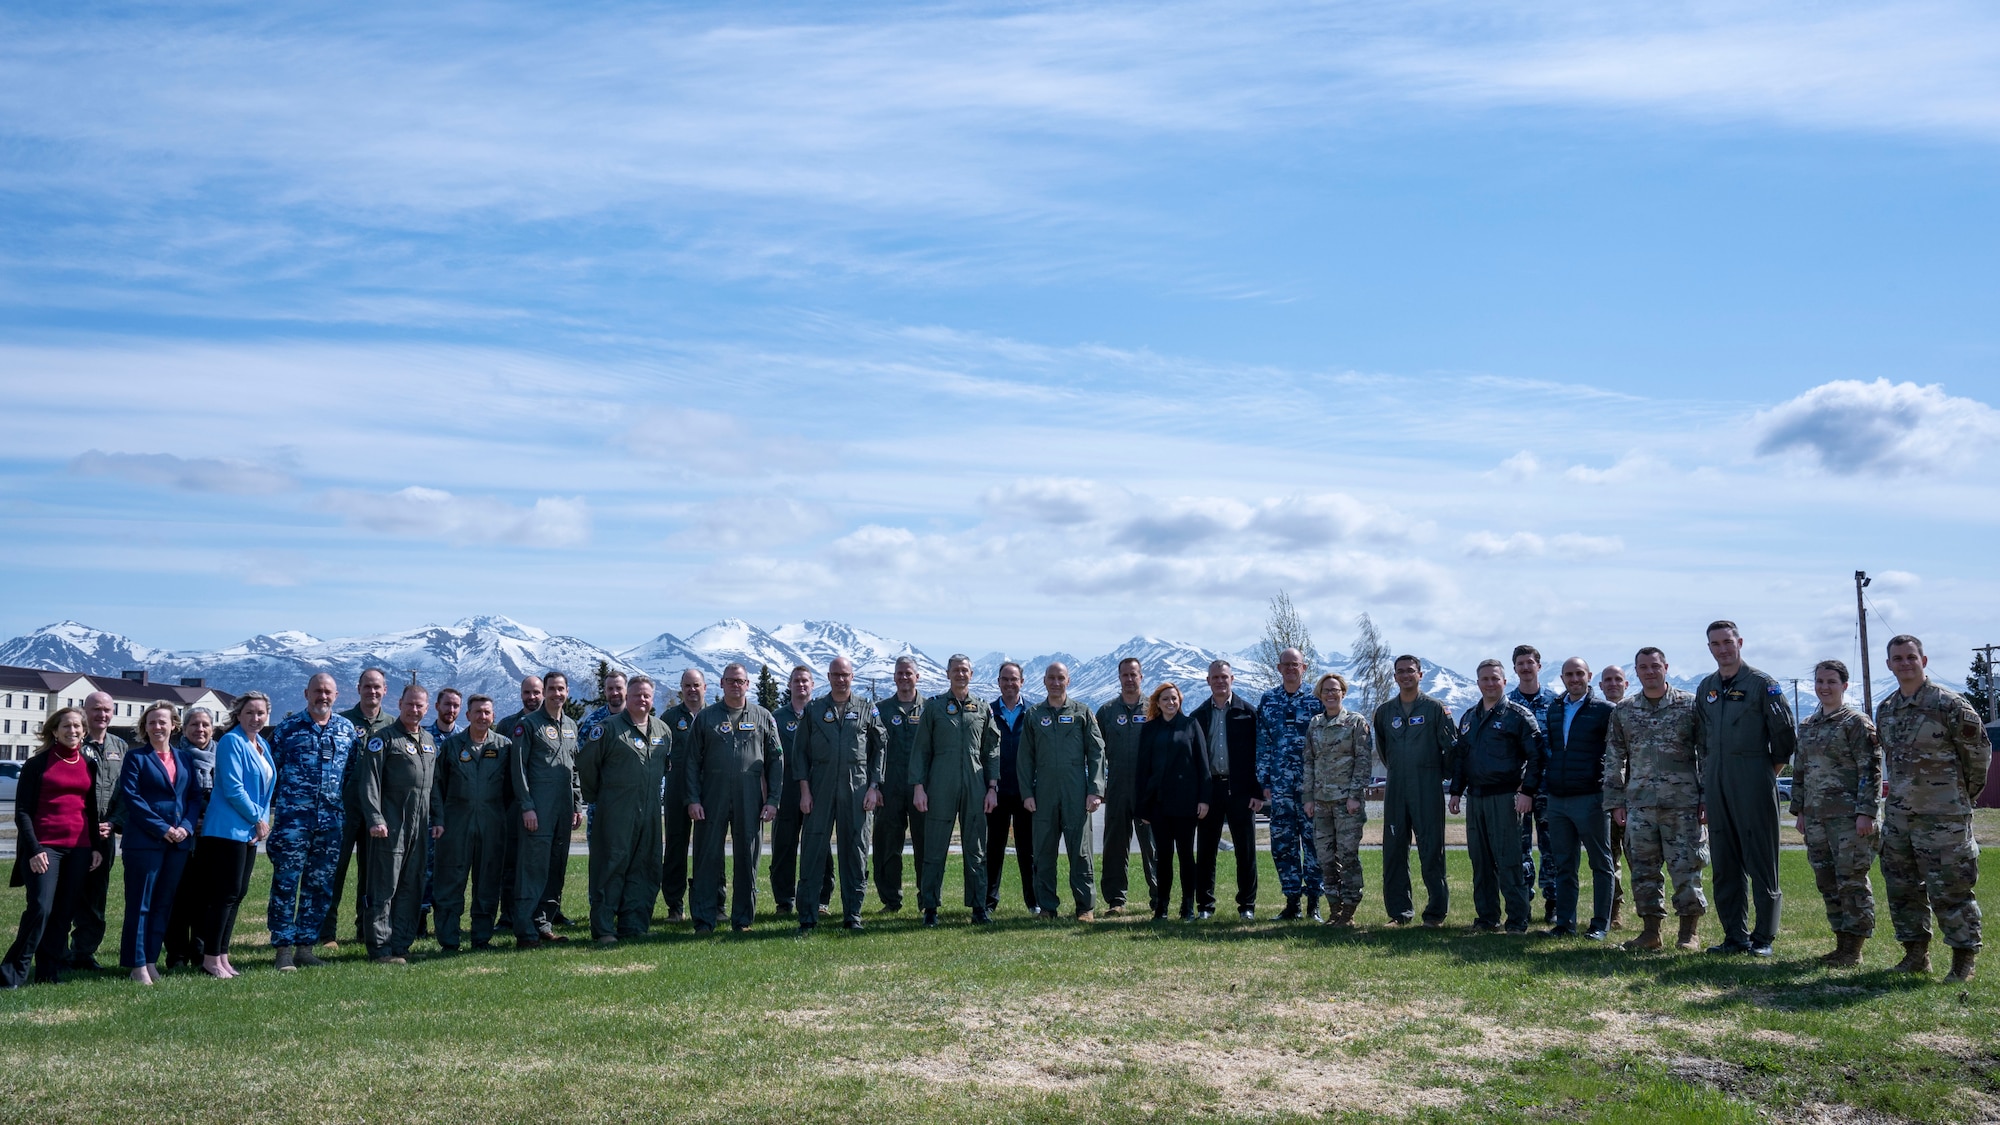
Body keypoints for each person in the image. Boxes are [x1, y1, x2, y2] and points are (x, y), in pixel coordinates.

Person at [1875, 634, 1991, 982]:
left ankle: (1962, 960)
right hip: (1899, 817)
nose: (1905, 663)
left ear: (1923, 661)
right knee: (1902, 888)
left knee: (1952, 888)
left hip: (1945, 818)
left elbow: (1978, 757)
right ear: (1889, 665)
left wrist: (1960, 799)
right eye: (1898, 658)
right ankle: (1915, 955)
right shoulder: (1886, 709)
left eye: (1911, 657)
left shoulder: (1950, 705)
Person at [1693, 621, 1796, 957]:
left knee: (1761, 861)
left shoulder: (1762, 684)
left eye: (1727, 642)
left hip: (1753, 779)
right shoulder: (1707, 687)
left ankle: (1764, 937)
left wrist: (1765, 771)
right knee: (1724, 864)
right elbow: (1701, 739)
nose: (1722, 649)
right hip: (1717, 782)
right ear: (1709, 648)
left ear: (1739, 642)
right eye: (1715, 644)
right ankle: (1734, 936)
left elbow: (1784, 737)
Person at [1604, 647, 1707, 953]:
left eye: (1655, 666)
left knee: (1687, 868)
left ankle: (1689, 932)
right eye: (1643, 667)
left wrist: (1706, 796)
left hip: (1683, 804)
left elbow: (1706, 753)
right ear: (1635, 672)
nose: (1649, 671)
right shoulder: (1624, 710)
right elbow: (1614, 758)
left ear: (1666, 667)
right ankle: (1651, 932)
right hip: (1640, 805)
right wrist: (1616, 800)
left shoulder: (1689, 706)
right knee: (1644, 871)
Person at [2, 708, 106, 988]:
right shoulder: (37, 764)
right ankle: (12, 972)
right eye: (66, 726)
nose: (73, 731)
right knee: (40, 908)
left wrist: (95, 846)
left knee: (64, 913)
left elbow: (90, 810)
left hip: (80, 848)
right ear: (54, 730)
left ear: (84, 732)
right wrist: (34, 850)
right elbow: (22, 811)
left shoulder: (88, 764)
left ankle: (49, 971)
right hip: (45, 847)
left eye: (77, 727)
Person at [1791, 659, 1882, 968]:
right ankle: (1840, 943)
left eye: (1831, 681)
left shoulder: (1856, 723)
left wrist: (1866, 812)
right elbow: (1800, 771)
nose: (1824, 687)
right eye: (1819, 681)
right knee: (1827, 882)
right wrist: (1800, 810)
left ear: (1844, 685)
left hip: (1849, 819)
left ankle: (1854, 948)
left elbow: (1869, 770)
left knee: (1852, 882)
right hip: (1816, 819)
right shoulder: (1808, 726)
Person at [266, 674, 357, 971]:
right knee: (286, 884)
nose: (323, 697)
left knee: (319, 886)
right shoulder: (287, 729)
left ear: (337, 695)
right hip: (293, 822)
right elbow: (270, 771)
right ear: (306, 693)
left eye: (328, 692)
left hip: (330, 822)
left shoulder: (346, 730)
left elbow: (349, 773)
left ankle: (306, 946)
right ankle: (283, 950)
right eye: (317, 691)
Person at [685, 663, 781, 934]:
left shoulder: (763, 717)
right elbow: (691, 762)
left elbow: (776, 760)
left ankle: (743, 920)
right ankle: (704, 920)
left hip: (750, 797)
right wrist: (693, 799)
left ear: (748, 684)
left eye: (741, 681)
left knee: (747, 860)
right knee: (706, 859)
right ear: (721, 683)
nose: (736, 685)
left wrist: (773, 799)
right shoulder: (706, 718)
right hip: (711, 797)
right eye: (731, 681)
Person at [1449, 660, 1544, 934]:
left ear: (1504, 682)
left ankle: (1517, 920)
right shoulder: (1469, 717)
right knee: (1480, 860)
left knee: (1509, 860)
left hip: (1506, 797)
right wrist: (1456, 791)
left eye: (1495, 679)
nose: (1490, 684)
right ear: (1478, 683)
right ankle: (1487, 918)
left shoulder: (1518, 715)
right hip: (1475, 798)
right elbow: (1462, 759)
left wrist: (1526, 791)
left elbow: (1537, 757)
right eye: (1484, 679)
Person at [576, 676, 670, 943]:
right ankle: (604, 928)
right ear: (627, 697)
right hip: (615, 811)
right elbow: (586, 768)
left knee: (646, 867)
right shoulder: (607, 728)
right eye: (637, 694)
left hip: (650, 812)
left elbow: (665, 767)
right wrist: (602, 799)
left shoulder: (663, 730)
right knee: (610, 867)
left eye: (647, 696)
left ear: (653, 699)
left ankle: (635, 924)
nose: (642, 699)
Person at [794, 657, 886, 932]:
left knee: (855, 853)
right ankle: (807, 917)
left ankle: (853, 916)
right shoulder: (814, 710)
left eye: (845, 674)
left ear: (852, 676)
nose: (840, 679)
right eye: (835, 674)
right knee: (812, 852)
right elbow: (800, 753)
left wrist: (874, 786)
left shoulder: (867, 708)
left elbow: (881, 747)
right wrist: (805, 792)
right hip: (820, 787)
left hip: (857, 788)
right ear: (829, 676)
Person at [911, 654, 1001, 926]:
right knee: (934, 847)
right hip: (940, 782)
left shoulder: (982, 708)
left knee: (976, 848)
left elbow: (992, 749)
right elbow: (921, 750)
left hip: (975, 784)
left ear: (971, 674)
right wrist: (919, 787)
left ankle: (978, 907)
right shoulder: (935, 707)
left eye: (965, 670)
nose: (960, 675)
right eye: (955, 671)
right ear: (947, 674)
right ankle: (930, 908)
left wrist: (992, 787)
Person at [354, 682, 439, 963]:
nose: (414, 710)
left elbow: (434, 786)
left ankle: (401, 943)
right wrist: (375, 818)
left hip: (420, 827)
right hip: (391, 826)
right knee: (384, 886)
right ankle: (379, 947)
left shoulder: (428, 740)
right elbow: (370, 782)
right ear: (399, 704)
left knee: (412, 885)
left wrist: (437, 818)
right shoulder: (383, 738)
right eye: (409, 704)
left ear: (427, 708)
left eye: (419, 705)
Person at [116, 701, 199, 984]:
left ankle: (151, 960)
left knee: (163, 904)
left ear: (174, 725)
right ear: (145, 727)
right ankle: (136, 964)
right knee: (140, 903)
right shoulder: (136, 758)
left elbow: (193, 798)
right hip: (145, 843)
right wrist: (162, 828)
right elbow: (133, 799)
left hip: (178, 844)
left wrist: (186, 828)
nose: (157, 726)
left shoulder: (185, 759)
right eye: (151, 722)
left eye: (162, 721)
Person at [192, 692, 274, 978]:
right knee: (224, 895)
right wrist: (257, 818)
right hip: (227, 830)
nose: (255, 718)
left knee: (238, 894)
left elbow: (265, 790)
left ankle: (222, 955)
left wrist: (260, 821)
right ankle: (210, 958)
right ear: (238, 715)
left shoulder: (262, 744)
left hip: (249, 831)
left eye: (261, 713)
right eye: (249, 712)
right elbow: (232, 787)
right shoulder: (230, 742)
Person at [1018, 662, 1107, 923]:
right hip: (1044, 792)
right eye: (1051, 678)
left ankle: (1085, 908)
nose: (1055, 682)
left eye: (1060, 678)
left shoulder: (1082, 712)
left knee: (1080, 852)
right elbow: (1025, 759)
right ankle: (1047, 906)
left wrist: (1095, 790)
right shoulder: (1034, 715)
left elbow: (1096, 753)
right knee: (1043, 852)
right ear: (1044, 681)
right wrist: (1027, 793)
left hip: (1076, 791)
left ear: (1068, 681)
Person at [1373, 655, 1456, 927]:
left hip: (1427, 788)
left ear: (1420, 674)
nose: (1405, 675)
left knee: (1431, 850)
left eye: (1411, 671)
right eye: (1400, 672)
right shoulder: (1385, 712)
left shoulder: (1434, 709)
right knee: (1394, 851)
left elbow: (1451, 749)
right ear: (1394, 677)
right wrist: (1400, 770)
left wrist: (1434, 773)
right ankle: (1399, 913)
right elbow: (1384, 751)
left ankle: (1435, 913)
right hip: (1396, 789)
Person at [1538, 658, 1616, 940]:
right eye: (1569, 675)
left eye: (1579, 674)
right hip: (1558, 798)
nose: (1574, 679)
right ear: (1562, 678)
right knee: (1564, 864)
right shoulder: (1555, 709)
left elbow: (1617, 753)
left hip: (1591, 797)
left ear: (1589, 676)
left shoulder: (1605, 710)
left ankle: (1599, 925)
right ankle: (1565, 923)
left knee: (1600, 863)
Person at [433, 694, 514, 950]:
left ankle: (481, 938)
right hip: (456, 824)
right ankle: (448, 939)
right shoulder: (452, 746)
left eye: (487, 712)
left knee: (488, 883)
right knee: (450, 881)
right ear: (467, 715)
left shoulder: (505, 747)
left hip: (492, 825)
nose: (482, 717)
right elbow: (437, 785)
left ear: (493, 716)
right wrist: (439, 818)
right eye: (477, 712)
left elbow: (513, 788)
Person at [323, 667, 393, 948]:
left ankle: (365, 928)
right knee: (334, 870)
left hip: (376, 810)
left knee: (372, 874)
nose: (372, 691)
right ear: (358, 688)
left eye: (377, 687)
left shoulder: (392, 725)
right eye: (367, 686)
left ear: (385, 690)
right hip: (345, 807)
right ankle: (326, 931)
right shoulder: (342, 722)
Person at [510, 672, 581, 946]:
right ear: (545, 691)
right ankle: (525, 931)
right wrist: (527, 806)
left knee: (555, 869)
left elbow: (573, 770)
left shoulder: (571, 726)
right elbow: (518, 769)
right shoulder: (528, 724)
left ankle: (544, 924)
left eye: (561, 689)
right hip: (538, 811)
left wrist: (576, 804)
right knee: (533, 869)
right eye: (552, 689)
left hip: (563, 811)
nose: (557, 694)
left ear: (567, 692)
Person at [1257, 648, 1325, 922]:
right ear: (1278, 668)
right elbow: (1262, 742)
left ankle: (1314, 904)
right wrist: (1264, 781)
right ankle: (1292, 902)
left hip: (1310, 787)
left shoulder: (1317, 698)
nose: (1290, 669)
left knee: (1313, 844)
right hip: (1280, 787)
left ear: (1304, 667)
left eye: (1295, 664)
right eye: (1285, 664)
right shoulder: (1269, 699)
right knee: (1283, 845)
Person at [1135, 682, 1210, 921]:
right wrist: (1143, 807)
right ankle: (1162, 907)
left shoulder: (1190, 725)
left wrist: (1204, 799)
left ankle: (1187, 907)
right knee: (1163, 856)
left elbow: (1202, 765)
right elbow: (1142, 771)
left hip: (1186, 803)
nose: (1170, 703)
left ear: (1180, 702)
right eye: (1165, 699)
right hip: (1158, 804)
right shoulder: (1150, 729)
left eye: (1174, 699)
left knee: (1186, 856)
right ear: (1157, 703)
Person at [1190, 660, 1259, 920]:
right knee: (1206, 850)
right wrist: (1199, 795)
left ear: (1233, 679)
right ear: (1208, 681)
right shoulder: (1198, 716)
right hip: (1211, 791)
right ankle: (1205, 906)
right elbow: (1195, 759)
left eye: (1224, 677)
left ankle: (1247, 906)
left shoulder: (1248, 713)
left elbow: (1257, 756)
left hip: (1241, 791)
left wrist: (1256, 791)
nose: (1220, 681)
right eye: (1215, 677)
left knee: (1246, 851)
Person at [1303, 673, 1372, 928]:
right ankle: (1334, 909)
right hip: (1321, 803)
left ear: (1343, 692)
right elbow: (1309, 761)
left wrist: (1355, 796)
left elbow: (1363, 762)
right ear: (1320, 695)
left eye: (1335, 690)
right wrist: (1308, 798)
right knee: (1325, 858)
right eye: (1325, 691)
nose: (1330, 694)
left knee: (1348, 856)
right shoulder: (1315, 724)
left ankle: (1349, 911)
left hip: (1346, 803)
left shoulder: (1355, 722)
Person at [65, 690, 125, 971]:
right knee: (65, 893)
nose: (101, 715)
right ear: (84, 711)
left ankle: (83, 953)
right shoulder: (72, 743)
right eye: (95, 709)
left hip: (103, 835)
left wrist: (113, 822)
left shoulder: (120, 747)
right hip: (72, 834)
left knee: (95, 897)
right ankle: (55, 951)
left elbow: (126, 793)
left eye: (106, 710)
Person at [1096, 657, 1158, 915]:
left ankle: (1159, 897)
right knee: (1115, 845)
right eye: (1125, 675)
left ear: (1141, 677)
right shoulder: (1107, 711)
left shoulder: (1154, 708)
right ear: (1119, 678)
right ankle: (1116, 901)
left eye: (1134, 674)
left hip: (1148, 789)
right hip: (1118, 786)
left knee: (1152, 846)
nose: (1129, 679)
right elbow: (1095, 752)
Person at [769, 666, 832, 918]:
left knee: (820, 847)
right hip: (787, 791)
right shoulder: (776, 717)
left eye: (805, 681)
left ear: (813, 684)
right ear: (789, 684)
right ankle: (784, 901)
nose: (801, 685)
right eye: (796, 681)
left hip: (817, 791)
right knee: (784, 847)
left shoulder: (822, 714)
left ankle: (821, 899)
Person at [161, 706, 218, 969]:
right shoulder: (173, 756)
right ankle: (176, 955)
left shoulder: (223, 754)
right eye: (194, 725)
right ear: (183, 729)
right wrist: (187, 821)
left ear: (213, 729)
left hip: (213, 836)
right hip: (180, 835)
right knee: (178, 899)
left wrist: (210, 820)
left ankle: (201, 952)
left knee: (207, 899)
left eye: (205, 725)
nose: (200, 730)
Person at [1507, 646, 1561, 924]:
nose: (1526, 668)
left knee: (1552, 847)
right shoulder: (1507, 704)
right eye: (1520, 663)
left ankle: (1553, 901)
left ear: (1539, 666)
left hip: (1549, 786)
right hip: (1518, 789)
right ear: (1514, 668)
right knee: (1520, 846)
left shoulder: (1556, 702)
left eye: (1530, 662)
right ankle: (1523, 900)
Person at [873, 657, 928, 914]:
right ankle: (890, 900)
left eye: (909, 673)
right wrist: (876, 786)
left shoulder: (930, 709)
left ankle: (926, 898)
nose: (904, 678)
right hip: (889, 788)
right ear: (894, 678)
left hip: (921, 788)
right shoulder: (881, 709)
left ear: (917, 677)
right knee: (887, 846)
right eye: (900, 674)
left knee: (925, 846)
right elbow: (872, 749)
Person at [984, 661, 1037, 915]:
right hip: (996, 791)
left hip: (1025, 793)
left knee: (1028, 850)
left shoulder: (1034, 713)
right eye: (1004, 679)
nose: (1009, 683)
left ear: (1022, 682)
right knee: (994, 849)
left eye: (1013, 679)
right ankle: (989, 902)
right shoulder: (988, 712)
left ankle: (1033, 901)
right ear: (998, 682)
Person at [495, 675, 543, 932]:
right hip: (513, 804)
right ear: (521, 694)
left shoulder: (552, 724)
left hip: (544, 803)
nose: (532, 697)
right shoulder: (507, 725)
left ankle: (544, 912)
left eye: (536, 692)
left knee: (542, 860)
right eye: (527, 692)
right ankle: (507, 915)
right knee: (511, 861)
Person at [660, 669, 705, 922]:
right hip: (677, 791)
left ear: (705, 687)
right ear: (681, 688)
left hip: (707, 791)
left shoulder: (714, 715)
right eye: (687, 685)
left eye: (696, 685)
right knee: (676, 849)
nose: (691, 690)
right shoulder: (669, 718)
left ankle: (712, 903)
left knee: (708, 850)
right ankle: (675, 907)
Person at [1597, 665, 1631, 930]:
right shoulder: (1596, 714)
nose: (1612, 684)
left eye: (1617, 679)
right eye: (1607, 680)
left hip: (1636, 796)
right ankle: (1614, 911)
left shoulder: (1635, 712)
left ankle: (1650, 913)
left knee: (1643, 859)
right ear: (1600, 686)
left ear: (1626, 684)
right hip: (1606, 797)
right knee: (1610, 857)